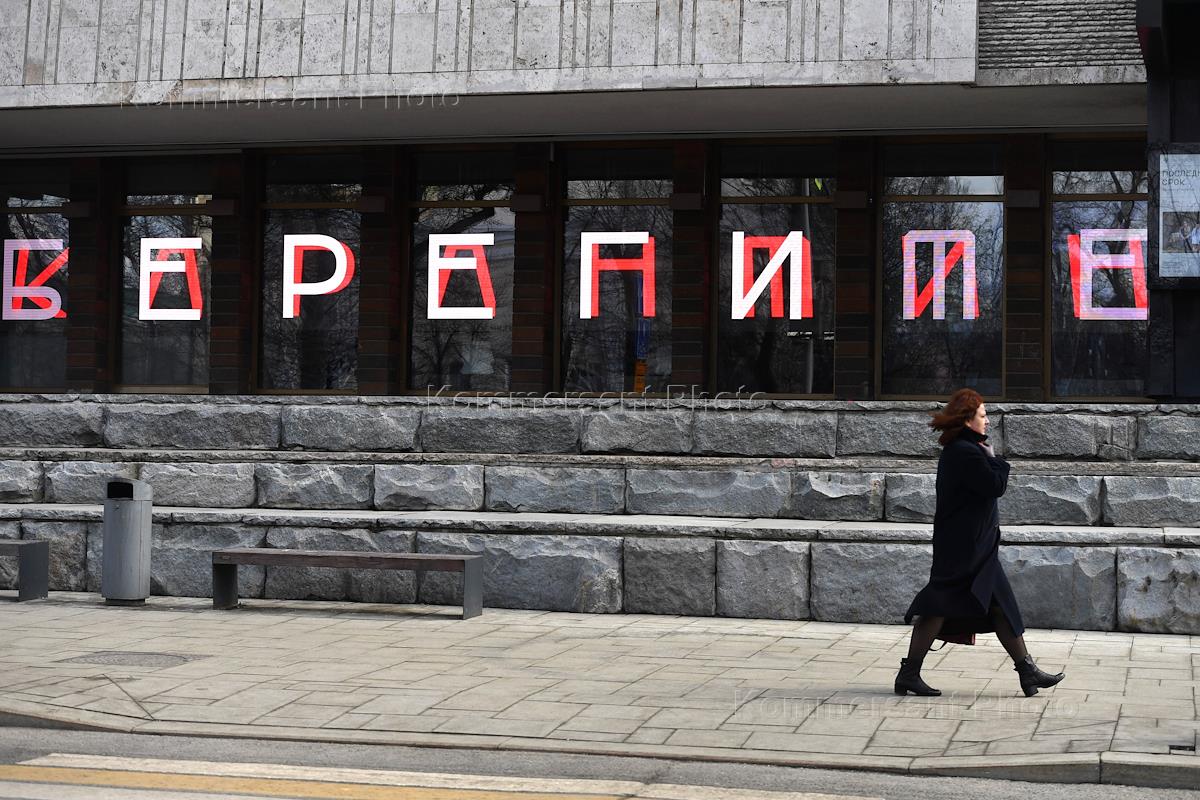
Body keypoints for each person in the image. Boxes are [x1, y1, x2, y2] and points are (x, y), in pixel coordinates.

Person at [894, 388, 1066, 698]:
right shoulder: (965, 452)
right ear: (967, 419)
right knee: (939, 604)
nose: (987, 421)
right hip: (965, 549)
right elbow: (994, 486)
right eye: (983, 416)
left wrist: (989, 457)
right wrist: (997, 460)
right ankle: (909, 674)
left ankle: (1027, 672)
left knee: (999, 605)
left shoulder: (964, 449)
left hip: (974, 547)